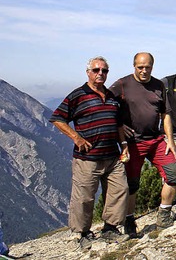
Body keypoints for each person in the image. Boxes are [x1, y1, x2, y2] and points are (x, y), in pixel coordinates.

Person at [49, 56, 129, 249]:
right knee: (84, 197)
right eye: (96, 70)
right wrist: (76, 138)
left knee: (120, 190)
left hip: (112, 155)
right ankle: (83, 233)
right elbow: (57, 118)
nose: (100, 73)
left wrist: (124, 145)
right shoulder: (78, 95)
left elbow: (118, 124)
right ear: (88, 72)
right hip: (87, 158)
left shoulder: (111, 97)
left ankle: (110, 228)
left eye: (104, 71)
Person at [110, 52, 176, 235]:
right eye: (140, 67)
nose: (144, 70)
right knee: (132, 184)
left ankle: (164, 215)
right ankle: (128, 220)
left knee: (174, 174)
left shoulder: (158, 85)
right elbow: (106, 104)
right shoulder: (122, 84)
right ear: (134, 66)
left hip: (157, 140)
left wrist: (170, 140)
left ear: (152, 66)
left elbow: (165, 114)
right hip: (133, 143)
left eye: (147, 67)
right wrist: (119, 125)